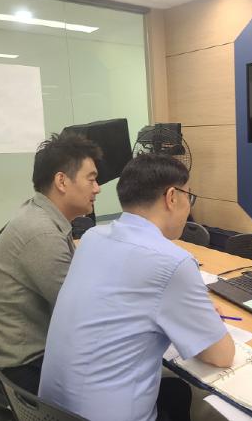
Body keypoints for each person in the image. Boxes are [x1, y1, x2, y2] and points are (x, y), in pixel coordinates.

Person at [39, 153, 235, 421]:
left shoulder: (93, 237)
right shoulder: (173, 261)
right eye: (189, 197)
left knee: (177, 392)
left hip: (50, 412)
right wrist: (203, 315)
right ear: (172, 197)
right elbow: (221, 356)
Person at [0, 132, 102, 394]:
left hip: (30, 345)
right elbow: (85, 314)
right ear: (62, 181)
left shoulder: (39, 212)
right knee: (160, 388)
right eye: (91, 179)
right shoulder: (41, 233)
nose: (97, 188)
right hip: (25, 367)